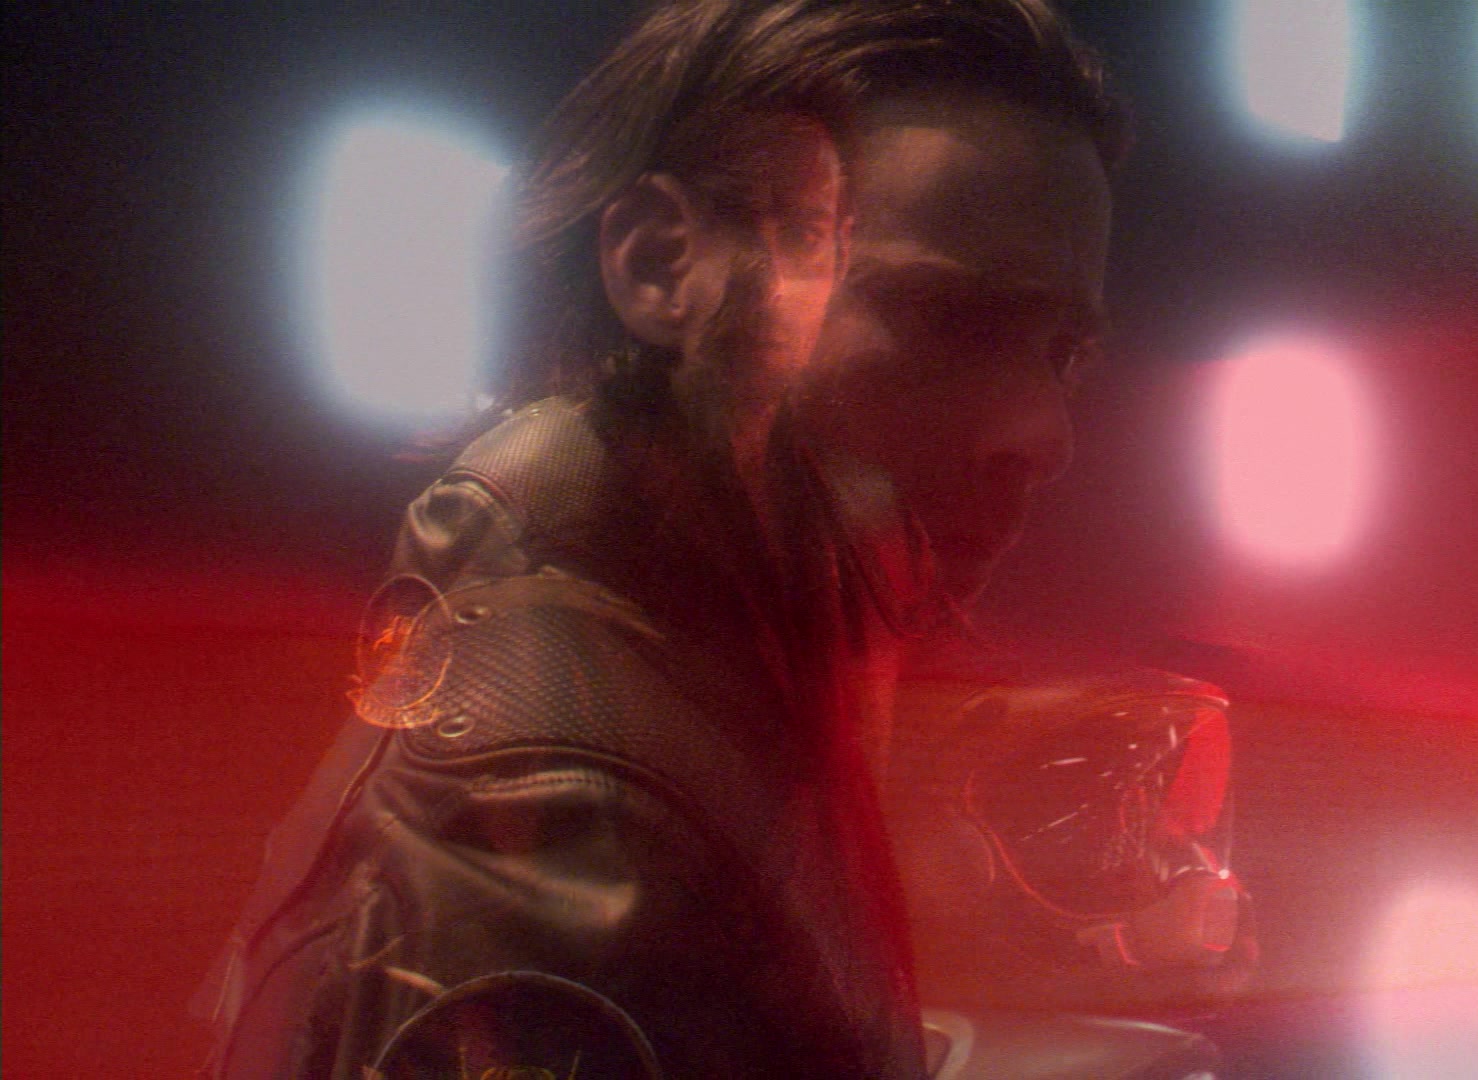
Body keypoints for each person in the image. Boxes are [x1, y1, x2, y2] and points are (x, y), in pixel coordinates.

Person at [195, 1, 1125, 1076]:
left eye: (1064, 355)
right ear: (660, 267)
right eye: (946, 319)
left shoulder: (691, 678)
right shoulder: (563, 807)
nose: (1044, 435)